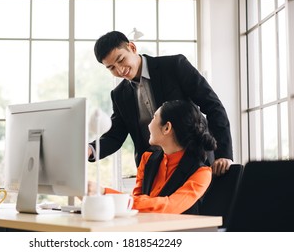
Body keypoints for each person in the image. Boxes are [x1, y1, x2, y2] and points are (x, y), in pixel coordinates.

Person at [88, 30, 232, 175]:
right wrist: (90, 149)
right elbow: (115, 135)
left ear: (132, 47)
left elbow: (213, 106)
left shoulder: (175, 66)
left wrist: (223, 154)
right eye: (111, 67)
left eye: (120, 60)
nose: (119, 69)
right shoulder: (119, 94)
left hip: (196, 161)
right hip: (154, 172)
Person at [88, 100, 215, 214]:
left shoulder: (201, 173)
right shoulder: (147, 159)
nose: (148, 125)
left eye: (154, 118)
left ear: (166, 128)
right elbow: (136, 203)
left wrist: (105, 193)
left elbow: (170, 206)